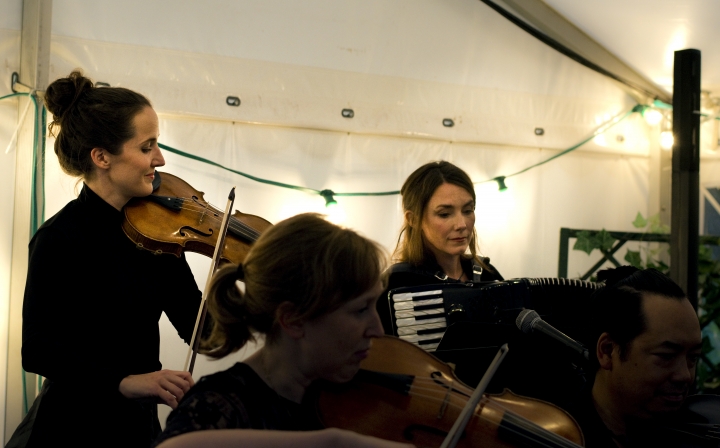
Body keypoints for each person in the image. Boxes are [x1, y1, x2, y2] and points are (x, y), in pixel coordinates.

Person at [15, 71, 202, 447]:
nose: (160, 159)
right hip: (71, 427)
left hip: (135, 428)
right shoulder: (59, 238)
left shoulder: (158, 233)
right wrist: (125, 381)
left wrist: (251, 280)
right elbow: (37, 349)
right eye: (147, 146)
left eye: (157, 145)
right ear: (101, 157)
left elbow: (200, 327)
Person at [154, 213, 413, 448]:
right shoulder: (220, 405)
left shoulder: (350, 392)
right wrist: (333, 441)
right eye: (360, 310)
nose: (378, 329)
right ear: (293, 320)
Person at [568, 266, 703, 448]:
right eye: (666, 356)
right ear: (608, 351)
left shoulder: (693, 430)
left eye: (692, 358)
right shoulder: (561, 433)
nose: (685, 375)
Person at [377, 160, 503, 335]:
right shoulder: (396, 284)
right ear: (413, 219)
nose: (461, 224)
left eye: (468, 210)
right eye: (444, 214)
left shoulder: (488, 274)